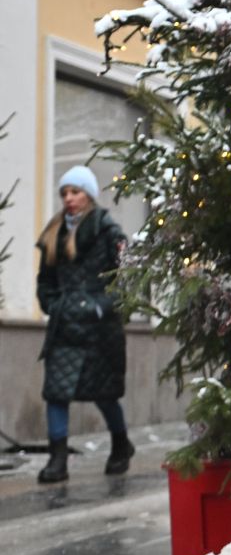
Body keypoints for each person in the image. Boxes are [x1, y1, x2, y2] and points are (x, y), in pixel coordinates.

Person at [35, 165, 135, 484]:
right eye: (64, 193)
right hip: (64, 327)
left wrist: (98, 307)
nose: (69, 198)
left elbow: (126, 279)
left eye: (75, 192)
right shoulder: (54, 233)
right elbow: (45, 281)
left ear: (89, 195)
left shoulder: (108, 231)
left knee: (104, 394)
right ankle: (58, 460)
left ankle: (121, 444)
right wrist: (53, 305)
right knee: (56, 393)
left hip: (98, 329)